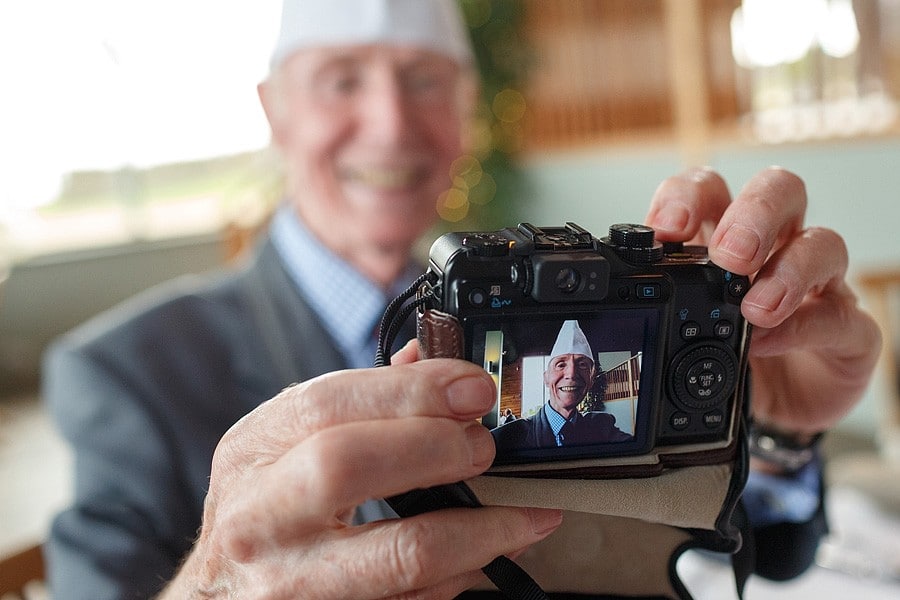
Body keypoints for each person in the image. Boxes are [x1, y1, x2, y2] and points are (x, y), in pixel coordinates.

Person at [41, 1, 882, 598]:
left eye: (424, 80)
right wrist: (213, 590)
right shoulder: (124, 374)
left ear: (468, 111)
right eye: (340, 81)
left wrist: (771, 429)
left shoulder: (551, 322)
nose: (391, 123)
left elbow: (767, 556)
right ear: (275, 110)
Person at [492, 319, 631, 452]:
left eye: (582, 364)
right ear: (546, 378)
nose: (571, 374)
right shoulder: (505, 438)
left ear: (591, 379)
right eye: (561, 364)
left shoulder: (602, 427)